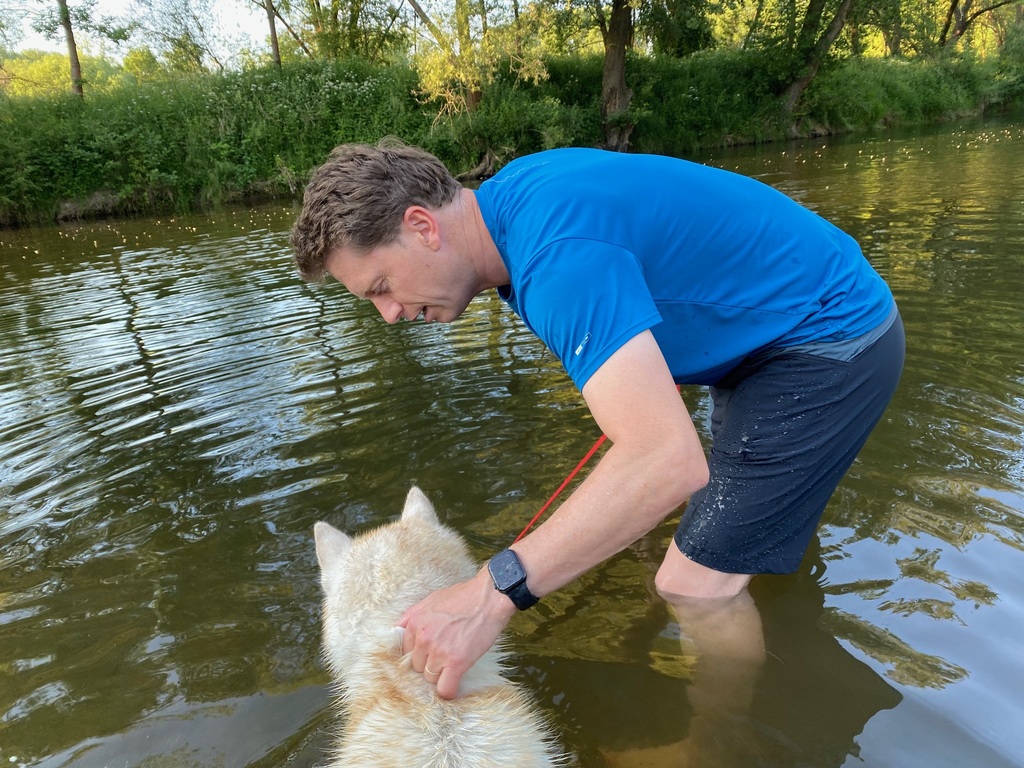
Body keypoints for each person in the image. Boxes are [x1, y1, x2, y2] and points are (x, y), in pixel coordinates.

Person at [290, 140, 905, 702]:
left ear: (421, 226)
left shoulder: (556, 260)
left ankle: (723, 741)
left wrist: (490, 596)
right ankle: (769, 577)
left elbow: (667, 459)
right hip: (763, 335)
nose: (389, 315)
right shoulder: (512, 201)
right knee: (707, 530)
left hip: (827, 340)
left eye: (380, 287)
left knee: (692, 586)